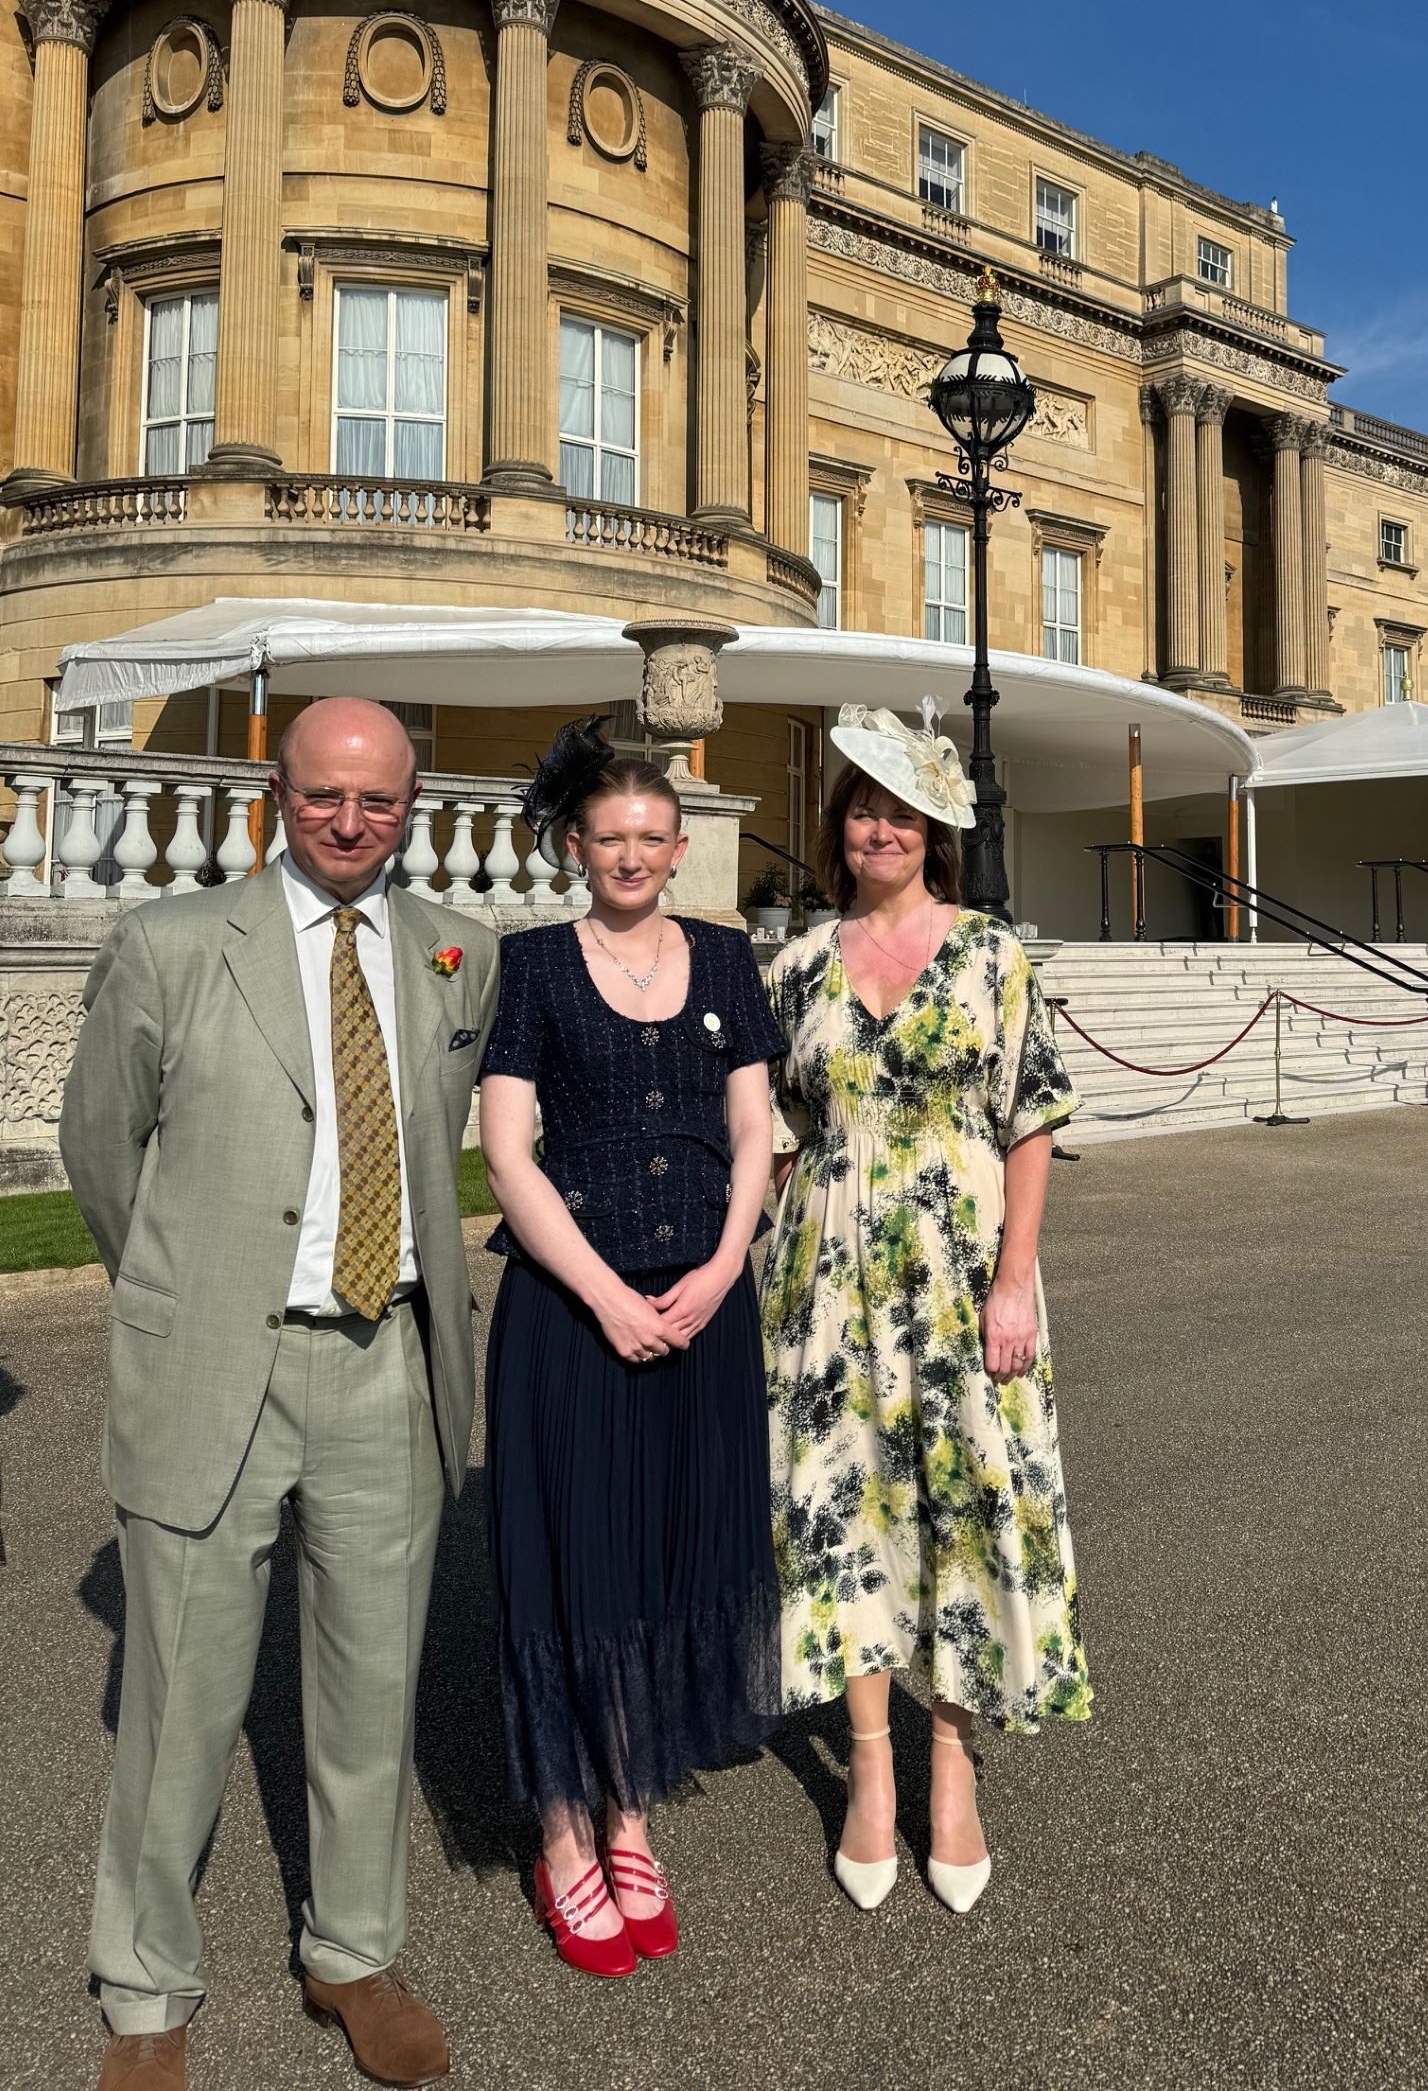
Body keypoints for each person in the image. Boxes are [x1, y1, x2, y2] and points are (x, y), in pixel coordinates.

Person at [60, 697, 501, 2091]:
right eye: (324, 796)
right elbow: (100, 1151)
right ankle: (145, 1988)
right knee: (180, 1703)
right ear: (279, 791)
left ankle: (353, 1952)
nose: (352, 821)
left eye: (378, 799)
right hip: (218, 1368)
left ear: (412, 799)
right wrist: (185, 1296)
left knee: (372, 1691)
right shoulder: (174, 944)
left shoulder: (459, 950)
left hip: (391, 1359)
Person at [762, 699, 1093, 1918]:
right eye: (860, 806)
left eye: (899, 809)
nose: (877, 827)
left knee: (967, 1499)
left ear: (933, 829)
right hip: (825, 1273)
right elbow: (774, 1137)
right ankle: (870, 1767)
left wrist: (1015, 1278)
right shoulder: (792, 966)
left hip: (963, 1271)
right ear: (838, 826)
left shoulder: (992, 953)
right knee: (841, 1513)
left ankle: (952, 1759)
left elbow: (1033, 1119)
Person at [479, 723, 782, 1978]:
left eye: (654, 836)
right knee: (574, 1557)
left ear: (677, 844)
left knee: (668, 1544)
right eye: (611, 836)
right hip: (573, 1305)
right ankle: (562, 1831)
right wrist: (606, 1294)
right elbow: (505, 1148)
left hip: (705, 1301)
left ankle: (630, 1809)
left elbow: (755, 1128)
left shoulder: (723, 952)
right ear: (574, 845)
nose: (634, 854)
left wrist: (720, 1266)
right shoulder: (534, 964)